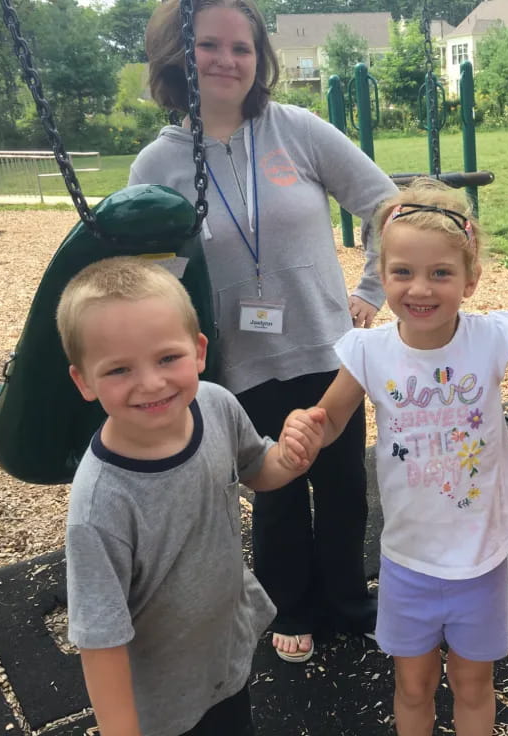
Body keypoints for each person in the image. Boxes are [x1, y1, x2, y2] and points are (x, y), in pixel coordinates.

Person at [283, 180, 508, 735]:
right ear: (382, 275)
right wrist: (306, 427)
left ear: (470, 280)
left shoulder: (488, 337)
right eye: (402, 273)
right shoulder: (370, 351)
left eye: (440, 273)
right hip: (408, 561)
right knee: (412, 687)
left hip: (481, 558)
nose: (421, 288)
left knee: (472, 683)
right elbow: (332, 417)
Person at [130, 0, 399, 662]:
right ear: (178, 55)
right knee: (274, 492)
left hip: (326, 351)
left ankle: (346, 601)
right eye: (209, 45)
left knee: (340, 486)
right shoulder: (157, 166)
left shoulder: (296, 131)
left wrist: (370, 290)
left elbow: (386, 203)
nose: (227, 59)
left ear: (260, 60)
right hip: (238, 362)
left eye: (242, 47)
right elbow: (155, 284)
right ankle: (291, 605)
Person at [56, 257, 326, 736]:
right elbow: (100, 640)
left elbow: (256, 468)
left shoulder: (215, 404)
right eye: (119, 369)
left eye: (167, 358)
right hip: (162, 701)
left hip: (223, 654)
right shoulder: (102, 506)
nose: (151, 383)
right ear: (83, 382)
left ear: (198, 351)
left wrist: (289, 458)